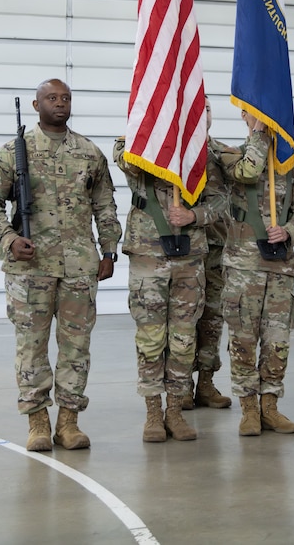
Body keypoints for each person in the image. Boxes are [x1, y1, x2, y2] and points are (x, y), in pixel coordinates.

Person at [0, 79, 121, 452]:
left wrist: (109, 251)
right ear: (35, 104)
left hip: (78, 267)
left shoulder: (90, 152)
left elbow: (105, 206)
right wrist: (9, 239)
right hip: (30, 268)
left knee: (76, 346)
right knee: (32, 347)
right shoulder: (13, 152)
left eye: (66, 98)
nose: (60, 104)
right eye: (52, 98)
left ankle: (69, 422)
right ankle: (38, 422)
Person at [114, 132, 227, 442]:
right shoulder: (137, 137)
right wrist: (163, 134)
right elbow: (127, 161)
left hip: (189, 254)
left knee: (183, 336)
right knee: (151, 336)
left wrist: (195, 214)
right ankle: (153, 412)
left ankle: (175, 410)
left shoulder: (202, 151)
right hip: (148, 253)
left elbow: (221, 199)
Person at [211, 110, 294, 436]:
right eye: (257, 116)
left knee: (277, 341)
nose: (266, 122)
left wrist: (290, 231)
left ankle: (271, 406)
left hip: (280, 267)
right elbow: (248, 173)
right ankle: (249, 409)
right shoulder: (230, 156)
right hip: (243, 267)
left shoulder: (291, 166)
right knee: (243, 340)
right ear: (243, 114)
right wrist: (260, 134)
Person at [183, 96, 232, 410]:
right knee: (184, 320)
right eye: (198, 108)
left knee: (213, 319)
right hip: (183, 252)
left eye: (208, 109)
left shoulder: (223, 153)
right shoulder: (172, 155)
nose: (204, 114)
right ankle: (181, 385)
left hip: (216, 249)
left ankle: (206, 383)